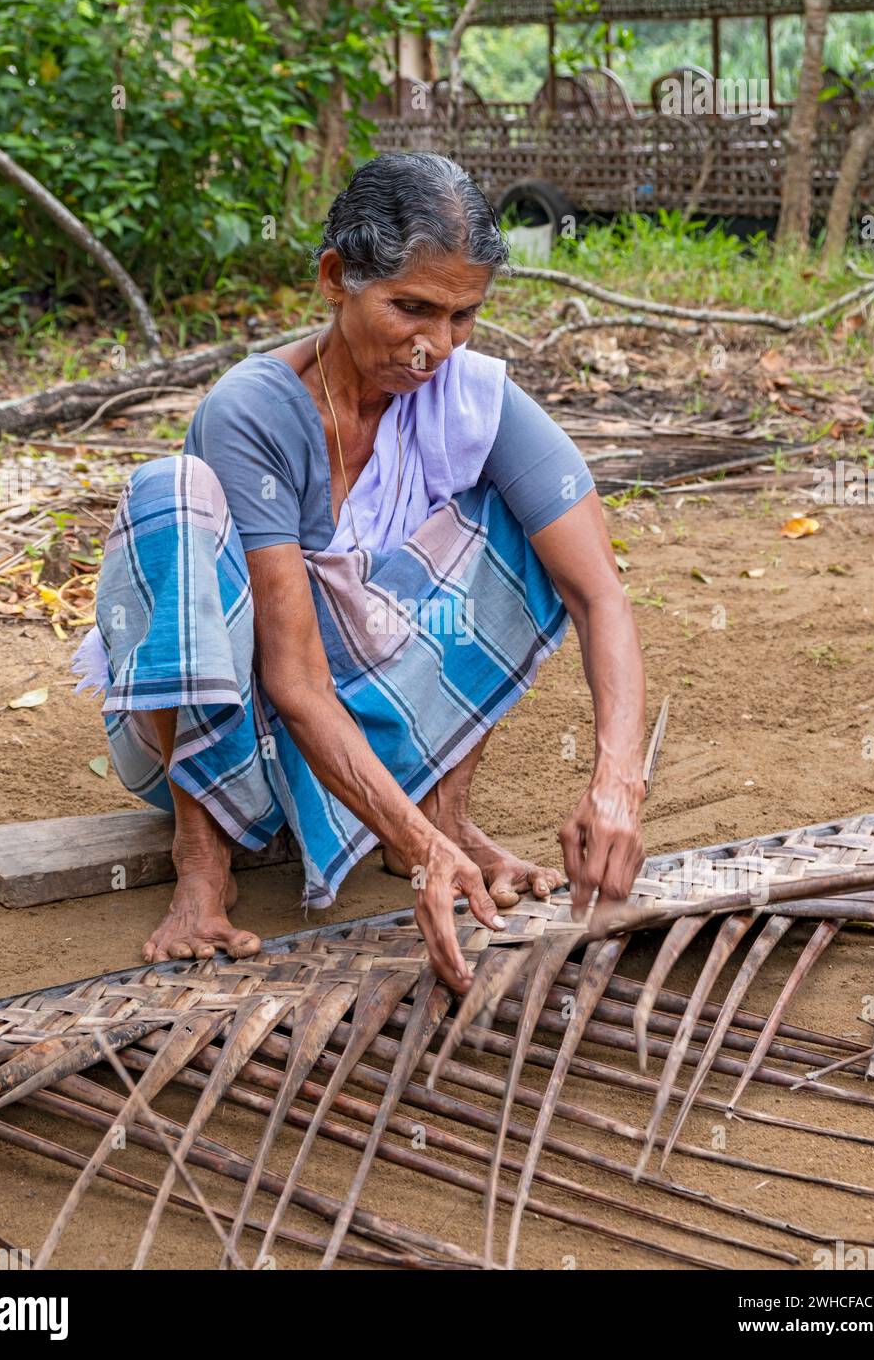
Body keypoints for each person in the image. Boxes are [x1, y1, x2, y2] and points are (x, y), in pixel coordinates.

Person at [72, 151, 646, 992]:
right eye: (410, 308)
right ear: (336, 278)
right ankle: (204, 861)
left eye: (463, 317)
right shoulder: (257, 410)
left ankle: (442, 817)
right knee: (174, 495)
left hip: (366, 737)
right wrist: (426, 860)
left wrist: (617, 785)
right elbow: (294, 680)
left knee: (531, 529)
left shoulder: (471, 396)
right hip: (232, 739)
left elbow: (601, 598)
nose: (434, 348)